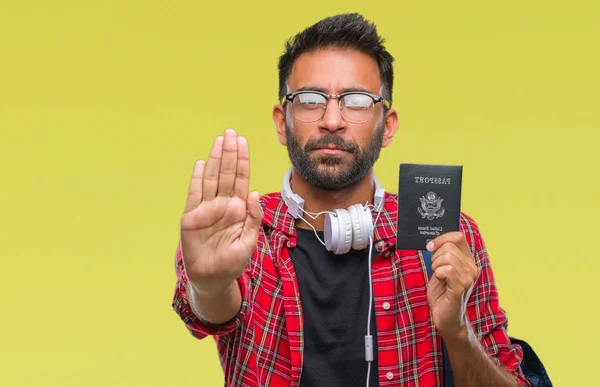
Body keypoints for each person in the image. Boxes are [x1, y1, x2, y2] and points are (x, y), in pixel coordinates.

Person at [172, 13, 530, 387]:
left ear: (387, 125)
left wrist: (457, 332)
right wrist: (209, 285)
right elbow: (214, 310)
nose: (331, 120)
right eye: (310, 100)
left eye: (356, 101)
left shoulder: (445, 240)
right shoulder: (241, 229)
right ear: (282, 121)